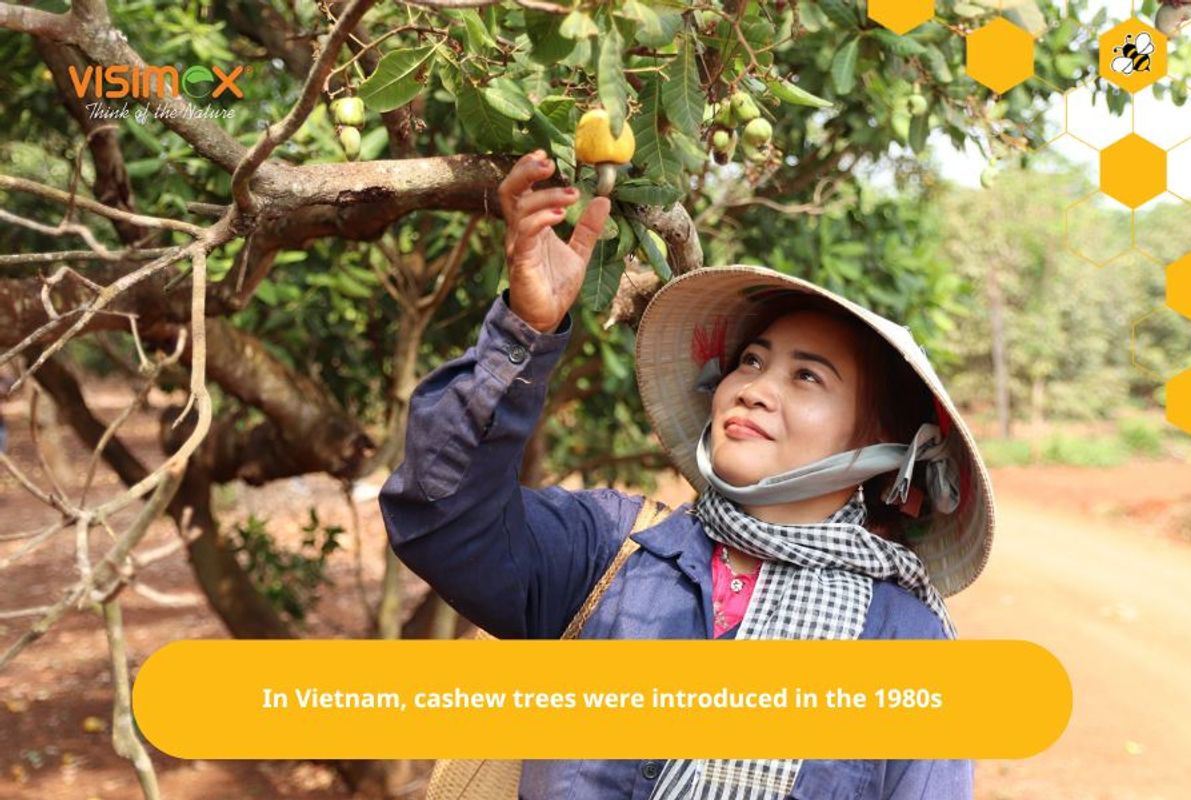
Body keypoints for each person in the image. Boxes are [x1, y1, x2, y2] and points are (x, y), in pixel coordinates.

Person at [379, 149, 994, 799]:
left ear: (879, 446)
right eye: (751, 362)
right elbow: (440, 515)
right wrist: (526, 331)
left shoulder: (908, 646)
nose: (754, 388)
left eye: (807, 376)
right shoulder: (612, 550)